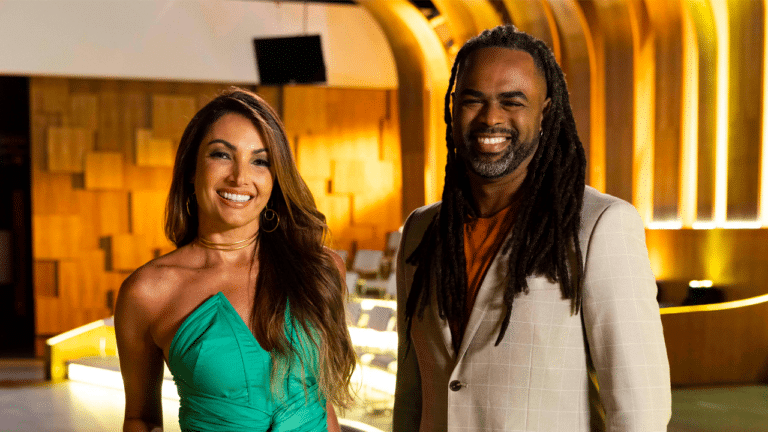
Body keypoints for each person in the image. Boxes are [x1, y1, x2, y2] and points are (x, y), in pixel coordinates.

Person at [393, 25, 671, 431]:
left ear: (544, 112)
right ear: (453, 108)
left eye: (512, 101)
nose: (491, 117)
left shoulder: (600, 226)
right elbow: (411, 393)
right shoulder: (422, 231)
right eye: (473, 100)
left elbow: (639, 409)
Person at [115, 88, 356, 432]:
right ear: (191, 169)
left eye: (260, 161)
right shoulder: (147, 293)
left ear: (275, 177)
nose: (240, 177)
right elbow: (141, 418)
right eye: (221, 155)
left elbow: (323, 401)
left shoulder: (322, 270)